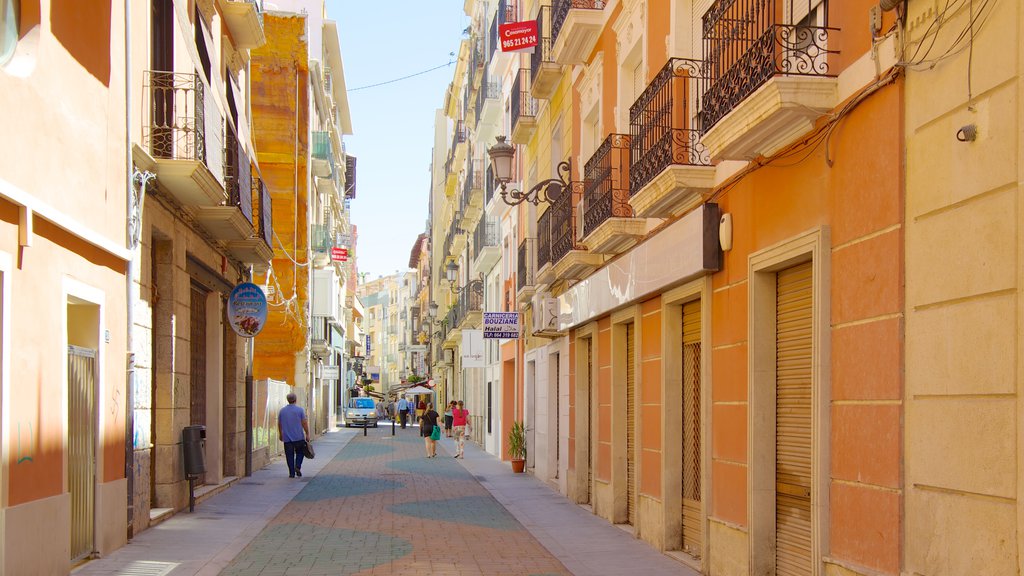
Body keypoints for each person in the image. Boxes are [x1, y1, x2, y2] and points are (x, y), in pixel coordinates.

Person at [278, 392, 309, 478]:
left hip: (287, 438)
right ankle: (297, 466)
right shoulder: (300, 410)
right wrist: (307, 433)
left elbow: (279, 424)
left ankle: (291, 473)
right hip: (298, 437)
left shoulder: (282, 411)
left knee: (289, 455)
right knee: (301, 452)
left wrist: (281, 434)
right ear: (295, 400)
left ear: (287, 400)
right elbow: (304, 423)